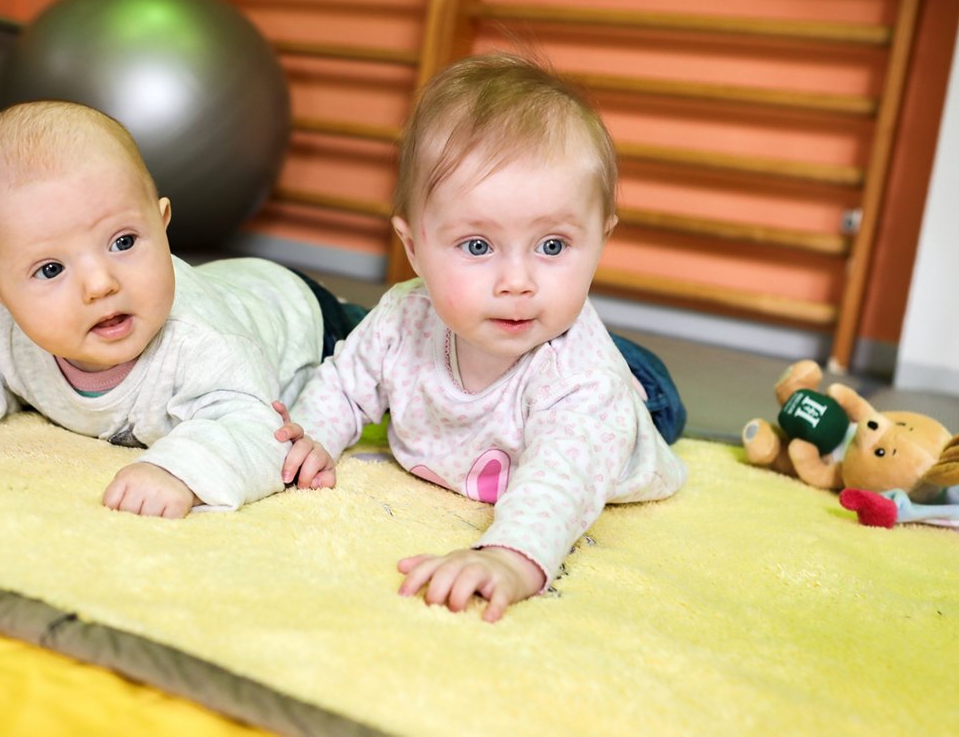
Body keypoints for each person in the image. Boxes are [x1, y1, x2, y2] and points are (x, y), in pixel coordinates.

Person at [278, 52, 689, 621]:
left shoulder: (586, 385)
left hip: (636, 402)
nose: (517, 283)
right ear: (414, 247)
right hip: (535, 363)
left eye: (552, 247)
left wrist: (508, 558)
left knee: (636, 388)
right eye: (478, 246)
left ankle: (643, 382)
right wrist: (316, 434)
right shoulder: (405, 317)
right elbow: (346, 384)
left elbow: (558, 483)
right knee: (354, 338)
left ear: (601, 239)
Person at [0, 101, 362, 518]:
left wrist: (180, 472)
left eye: (123, 241)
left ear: (162, 226)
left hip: (302, 316)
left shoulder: (203, 345)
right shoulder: (3, 325)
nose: (100, 284)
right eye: (51, 269)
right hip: (230, 284)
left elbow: (259, 431)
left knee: (404, 339)